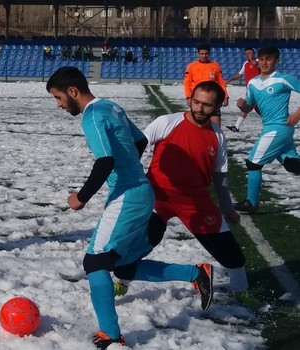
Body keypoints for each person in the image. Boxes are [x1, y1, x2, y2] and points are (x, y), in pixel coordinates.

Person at [46, 66, 213, 349]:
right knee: (123, 264)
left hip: (127, 196)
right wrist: (130, 170)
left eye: (58, 97)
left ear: (72, 91)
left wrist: (81, 197)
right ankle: (196, 274)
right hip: (139, 191)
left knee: (95, 262)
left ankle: (110, 335)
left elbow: (105, 161)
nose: (59, 104)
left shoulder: (92, 116)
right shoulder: (111, 106)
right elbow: (140, 140)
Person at [135, 80, 256, 307]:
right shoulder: (166, 122)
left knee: (230, 253)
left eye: (207, 105)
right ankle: (122, 279)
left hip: (195, 201)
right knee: (136, 245)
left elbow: (220, 178)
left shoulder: (218, 137)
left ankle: (241, 291)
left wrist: (227, 207)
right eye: (196, 102)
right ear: (189, 100)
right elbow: (136, 147)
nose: (200, 109)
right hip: (156, 196)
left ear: (218, 106)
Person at [234, 46, 300, 214]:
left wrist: (298, 114)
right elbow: (249, 106)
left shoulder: (282, 79)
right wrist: (243, 105)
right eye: (262, 59)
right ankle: (252, 202)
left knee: (253, 163)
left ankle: (252, 202)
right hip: (272, 129)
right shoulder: (253, 82)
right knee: (293, 165)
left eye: (269, 59)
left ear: (276, 61)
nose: (264, 62)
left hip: (278, 129)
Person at [184, 43, 229, 126]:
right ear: (198, 54)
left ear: (209, 54)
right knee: (197, 121)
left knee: (216, 122)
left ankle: (215, 138)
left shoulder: (215, 66)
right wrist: (188, 97)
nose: (204, 56)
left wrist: (225, 96)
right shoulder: (191, 66)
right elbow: (187, 83)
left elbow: (221, 82)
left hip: (212, 98)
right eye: (202, 54)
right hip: (198, 98)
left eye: (206, 54)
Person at [225, 47, 261, 132]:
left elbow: (257, 65)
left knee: (254, 107)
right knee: (247, 107)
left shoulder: (259, 61)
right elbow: (240, 74)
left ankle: (271, 123)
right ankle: (236, 127)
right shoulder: (246, 64)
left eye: (249, 53)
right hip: (250, 90)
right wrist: (231, 79)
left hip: (258, 90)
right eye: (246, 53)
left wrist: (251, 59)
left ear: (254, 53)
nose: (247, 55)